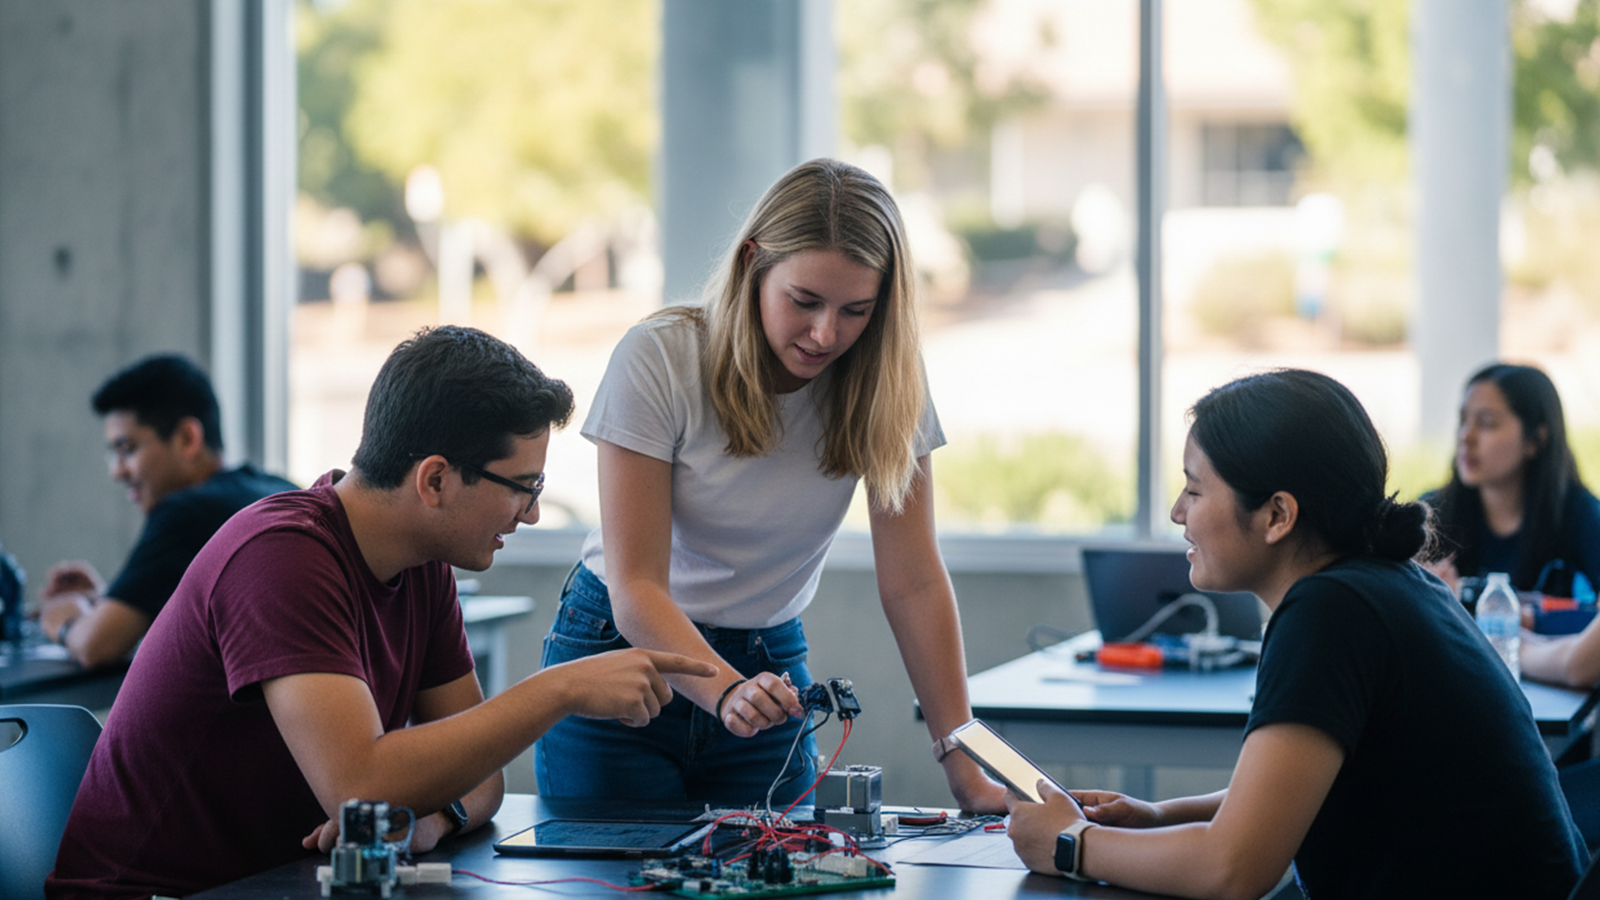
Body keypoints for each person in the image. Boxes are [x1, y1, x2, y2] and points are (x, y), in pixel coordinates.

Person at [46, 327, 715, 900]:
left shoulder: (422, 564)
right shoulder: (281, 558)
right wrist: (561, 687)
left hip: (277, 881)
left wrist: (426, 819)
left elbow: (479, 779)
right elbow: (358, 783)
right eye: (524, 487)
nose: (532, 514)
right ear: (434, 480)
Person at [534, 158, 1005, 812]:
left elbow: (915, 580)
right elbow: (636, 586)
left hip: (765, 656)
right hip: (625, 649)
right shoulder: (660, 357)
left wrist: (966, 765)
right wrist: (725, 690)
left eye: (856, 310)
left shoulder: (888, 381)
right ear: (754, 262)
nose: (825, 334)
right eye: (804, 302)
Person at [1005, 369, 1586, 899]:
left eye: (1196, 489)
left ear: (1278, 515)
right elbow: (1293, 796)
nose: (1179, 512)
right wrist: (1158, 816)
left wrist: (1070, 845)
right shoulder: (1384, 583)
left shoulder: (1330, 612)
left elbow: (1232, 869)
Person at [36, 354, 296, 668]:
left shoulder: (186, 512)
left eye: (127, 450)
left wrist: (66, 619)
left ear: (187, 438)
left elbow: (98, 645)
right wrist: (109, 598)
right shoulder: (279, 488)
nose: (117, 472)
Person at [1422, 362, 1600, 596]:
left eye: (1487, 423)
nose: (1467, 437)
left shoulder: (1581, 516)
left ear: (1535, 440)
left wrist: (1535, 623)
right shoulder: (1433, 515)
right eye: (1463, 421)